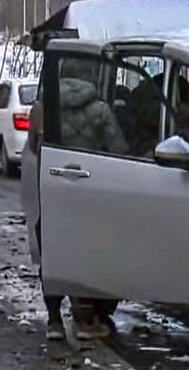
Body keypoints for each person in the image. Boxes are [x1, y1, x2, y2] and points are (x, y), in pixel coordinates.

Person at [42, 56, 129, 341]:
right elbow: (118, 150)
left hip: (51, 188)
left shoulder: (43, 107)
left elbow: (33, 148)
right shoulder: (100, 110)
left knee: (52, 254)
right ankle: (85, 321)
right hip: (89, 193)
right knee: (88, 254)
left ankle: (54, 320)